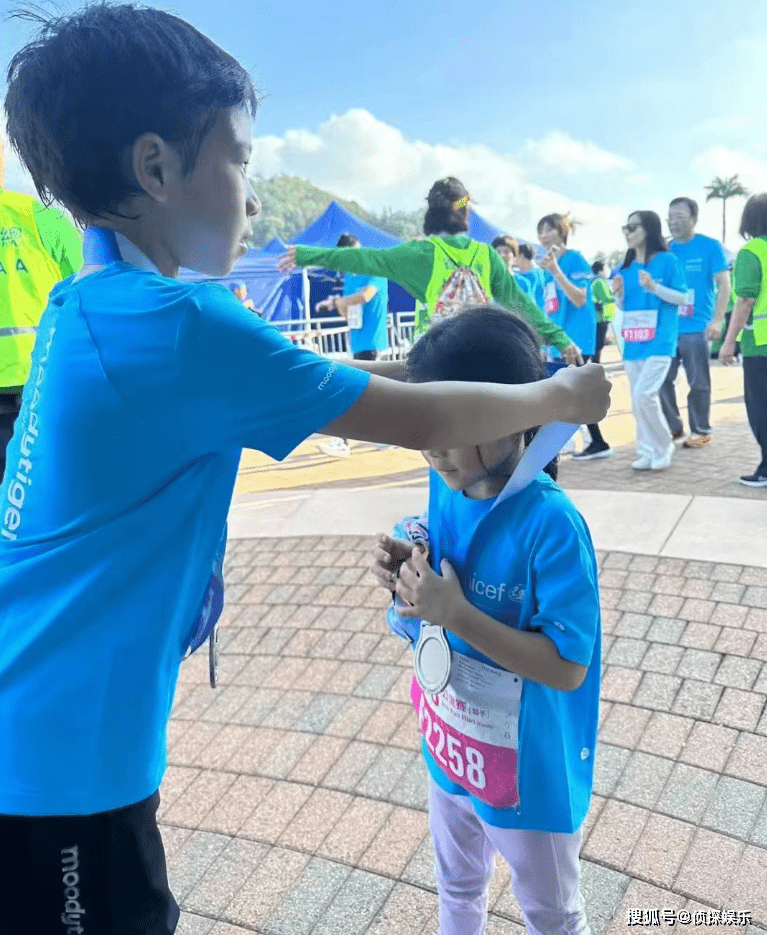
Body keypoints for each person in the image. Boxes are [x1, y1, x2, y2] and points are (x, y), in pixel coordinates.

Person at [0, 8, 611, 935]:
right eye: (240, 160)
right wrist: (556, 399)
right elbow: (417, 419)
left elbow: (332, 379)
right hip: (60, 754)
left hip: (37, 706)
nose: (250, 197)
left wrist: (457, 374)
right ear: (156, 167)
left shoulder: (94, 301)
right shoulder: (180, 326)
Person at [372, 306, 599, 935]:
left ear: (514, 414)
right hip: (450, 749)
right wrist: (407, 581)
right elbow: (439, 596)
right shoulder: (444, 484)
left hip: (526, 780)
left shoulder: (552, 526)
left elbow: (568, 666)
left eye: (455, 421)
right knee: (457, 888)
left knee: (551, 914)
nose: (432, 445)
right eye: (426, 421)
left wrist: (458, 614)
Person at [279, 177, 583, 365]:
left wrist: (306, 254)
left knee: (446, 455)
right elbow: (521, 304)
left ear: (430, 213)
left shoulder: (419, 253)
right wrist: (560, 338)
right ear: (466, 212)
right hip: (484, 356)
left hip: (436, 364)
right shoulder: (487, 255)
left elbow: (364, 259)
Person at [0, 135, 82, 480]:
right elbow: (90, 300)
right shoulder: (40, 219)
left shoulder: (42, 219)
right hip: (46, 388)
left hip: (44, 388)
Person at [612, 211, 687, 471]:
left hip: (660, 340)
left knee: (645, 395)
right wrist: (619, 295)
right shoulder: (627, 267)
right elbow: (624, 307)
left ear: (649, 229)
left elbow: (682, 298)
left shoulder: (668, 261)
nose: (628, 232)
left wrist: (655, 288)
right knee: (636, 399)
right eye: (626, 227)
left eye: (633, 226)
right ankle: (646, 450)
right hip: (634, 341)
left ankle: (664, 446)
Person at [537, 214, 610, 461]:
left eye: (549, 230)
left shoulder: (574, 259)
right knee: (568, 394)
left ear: (562, 232)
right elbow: (551, 307)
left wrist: (556, 270)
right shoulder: (547, 267)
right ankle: (587, 442)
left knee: (577, 393)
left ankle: (597, 442)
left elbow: (579, 298)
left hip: (577, 340)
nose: (544, 235)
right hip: (558, 341)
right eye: (541, 231)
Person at [660, 197, 730, 448]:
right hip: (667, 330)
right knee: (660, 380)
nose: (673, 222)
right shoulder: (665, 250)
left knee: (698, 382)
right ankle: (674, 427)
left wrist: (718, 319)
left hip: (697, 326)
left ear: (694, 219)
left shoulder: (709, 247)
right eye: (670, 217)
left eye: (679, 216)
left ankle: (701, 430)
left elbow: (724, 283)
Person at [315, 232, 389, 457]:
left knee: (355, 391)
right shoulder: (349, 277)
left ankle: (344, 441)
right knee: (370, 394)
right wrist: (340, 305)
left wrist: (339, 301)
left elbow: (366, 296)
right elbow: (345, 311)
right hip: (356, 342)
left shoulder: (375, 270)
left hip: (373, 342)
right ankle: (384, 436)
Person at [719, 193, 767, 487]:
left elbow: (745, 300)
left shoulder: (752, 250)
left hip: (760, 345)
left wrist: (728, 341)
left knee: (761, 408)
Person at [590, 259, 615, 363]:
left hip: (599, 317)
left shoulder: (594, 281)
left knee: (597, 345)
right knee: (598, 345)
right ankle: (595, 368)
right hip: (601, 318)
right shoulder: (599, 282)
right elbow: (607, 298)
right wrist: (617, 292)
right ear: (601, 269)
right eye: (606, 268)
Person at [515, 242, 546, 310]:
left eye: (515, 257)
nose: (514, 261)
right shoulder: (542, 272)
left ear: (521, 256)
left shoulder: (527, 277)